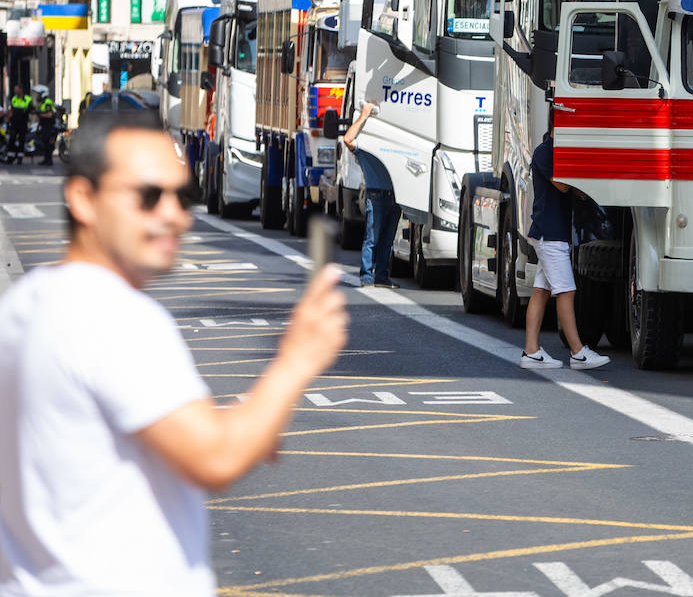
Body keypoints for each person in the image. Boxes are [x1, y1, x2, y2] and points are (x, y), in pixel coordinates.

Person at [0, 110, 348, 596]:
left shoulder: (28, 303)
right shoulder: (115, 316)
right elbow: (216, 456)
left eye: (183, 196)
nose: (173, 215)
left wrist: (248, 421)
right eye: (148, 196)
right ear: (83, 197)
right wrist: (298, 358)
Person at [520, 128, 610, 371]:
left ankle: (531, 351)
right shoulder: (545, 152)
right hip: (549, 236)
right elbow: (561, 185)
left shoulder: (554, 151)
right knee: (566, 291)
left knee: (541, 292)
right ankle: (578, 352)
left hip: (551, 234)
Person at [339, 101, 401, 288]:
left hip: (395, 196)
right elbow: (348, 139)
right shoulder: (365, 147)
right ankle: (366, 276)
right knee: (372, 239)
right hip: (377, 196)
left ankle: (381, 276)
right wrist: (364, 115)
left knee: (387, 241)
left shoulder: (391, 147)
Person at [6, 82, 31, 158]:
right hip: (14, 122)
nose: (15, 91)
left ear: (21, 89)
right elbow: (11, 111)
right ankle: (11, 155)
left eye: (16, 89)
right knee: (12, 138)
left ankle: (20, 156)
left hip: (23, 122)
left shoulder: (27, 99)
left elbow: (32, 109)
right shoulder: (14, 99)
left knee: (21, 139)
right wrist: (8, 120)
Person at [32, 85, 55, 166]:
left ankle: (49, 160)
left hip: (49, 127)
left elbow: (49, 114)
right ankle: (46, 159)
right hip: (44, 126)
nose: (37, 96)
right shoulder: (42, 103)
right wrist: (38, 126)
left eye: (39, 94)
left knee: (48, 144)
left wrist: (40, 114)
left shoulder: (47, 102)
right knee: (44, 143)